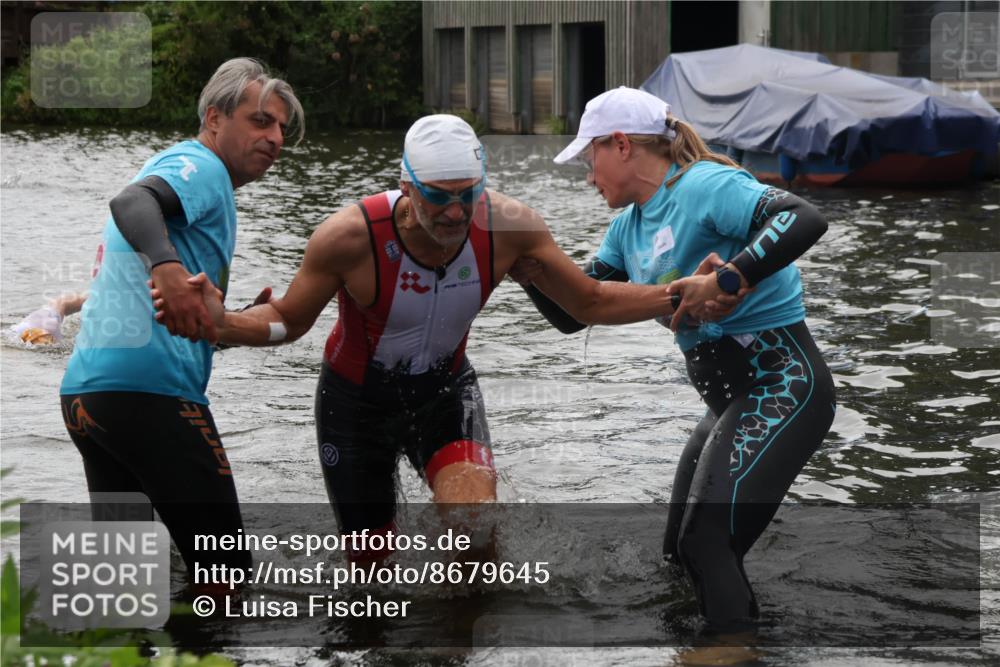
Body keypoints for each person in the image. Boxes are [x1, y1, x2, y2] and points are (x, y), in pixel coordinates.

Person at [154, 114, 739, 563]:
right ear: (406, 188)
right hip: (354, 406)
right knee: (371, 570)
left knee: (474, 528)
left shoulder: (509, 226)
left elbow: (587, 301)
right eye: (439, 196)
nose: (457, 213)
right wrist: (223, 324)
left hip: (443, 394)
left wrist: (681, 294)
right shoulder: (349, 237)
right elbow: (290, 319)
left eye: (468, 194)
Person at [519, 87, 836, 632]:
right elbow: (574, 314)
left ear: (621, 145)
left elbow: (802, 216)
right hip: (728, 405)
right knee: (676, 557)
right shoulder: (627, 228)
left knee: (705, 544)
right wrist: (525, 268)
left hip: (783, 385)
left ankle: (731, 653)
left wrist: (729, 277)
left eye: (590, 158)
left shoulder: (702, 185)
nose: (588, 176)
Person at [58, 57, 304, 585]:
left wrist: (224, 323)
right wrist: (166, 267)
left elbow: (160, 310)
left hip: (87, 398)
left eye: (282, 128)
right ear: (214, 118)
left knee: (123, 586)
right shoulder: (202, 166)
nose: (275, 138)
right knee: (227, 579)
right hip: (151, 399)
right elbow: (132, 200)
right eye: (261, 121)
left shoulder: (190, 176)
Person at [12, 293, 87, 345]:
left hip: (43, 321)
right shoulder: (51, 329)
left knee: (62, 302)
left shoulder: (51, 325)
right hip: (38, 324)